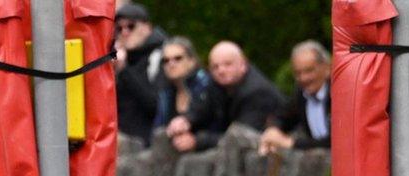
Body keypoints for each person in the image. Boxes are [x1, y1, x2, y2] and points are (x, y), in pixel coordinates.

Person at [166, 41, 285, 152]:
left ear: (243, 65)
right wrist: (186, 120)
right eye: (215, 67)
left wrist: (197, 141)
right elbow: (201, 109)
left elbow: (241, 136)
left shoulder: (257, 92)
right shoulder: (215, 84)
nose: (221, 70)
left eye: (228, 65)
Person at [260, 40, 332, 155]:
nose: (303, 78)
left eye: (309, 71)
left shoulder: (340, 94)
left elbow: (336, 140)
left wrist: (292, 143)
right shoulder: (301, 94)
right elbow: (281, 116)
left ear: (327, 68)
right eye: (298, 73)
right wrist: (273, 130)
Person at [114, 2, 164, 146]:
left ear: (147, 27)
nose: (124, 32)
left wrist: (124, 71)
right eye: (119, 28)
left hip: (148, 146)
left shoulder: (162, 55)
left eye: (131, 26)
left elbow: (156, 105)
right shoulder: (122, 59)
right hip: (122, 142)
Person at [154, 37, 209, 129]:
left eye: (178, 58)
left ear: (192, 61)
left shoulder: (206, 86)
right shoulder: (165, 93)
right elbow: (158, 128)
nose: (171, 64)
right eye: (166, 60)